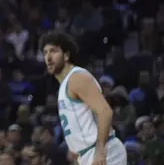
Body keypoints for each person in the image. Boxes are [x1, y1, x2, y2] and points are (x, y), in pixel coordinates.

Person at [40, 31, 127, 165]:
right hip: (88, 154)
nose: (48, 57)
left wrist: (100, 150)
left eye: (53, 51)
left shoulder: (77, 78)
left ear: (67, 55)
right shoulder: (65, 85)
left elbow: (105, 112)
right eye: (45, 53)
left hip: (105, 152)